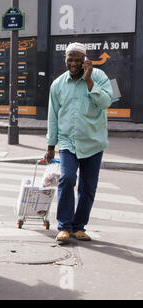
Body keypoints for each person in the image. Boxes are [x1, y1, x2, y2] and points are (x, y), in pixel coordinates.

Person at [44, 42, 113, 243]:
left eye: (77, 59)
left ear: (85, 60)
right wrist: (50, 146)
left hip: (93, 141)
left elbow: (107, 102)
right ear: (64, 59)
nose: (73, 63)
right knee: (66, 179)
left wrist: (89, 80)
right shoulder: (57, 84)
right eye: (70, 59)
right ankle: (64, 226)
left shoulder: (100, 77)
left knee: (88, 187)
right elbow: (53, 117)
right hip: (68, 142)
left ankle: (79, 226)